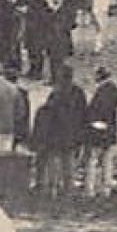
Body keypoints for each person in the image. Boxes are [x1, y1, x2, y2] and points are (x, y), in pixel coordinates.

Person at [32, 64, 87, 198]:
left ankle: (53, 189)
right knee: (68, 163)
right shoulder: (78, 92)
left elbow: (48, 115)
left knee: (53, 163)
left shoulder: (56, 93)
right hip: (72, 134)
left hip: (56, 135)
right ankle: (68, 189)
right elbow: (84, 114)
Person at [84, 66, 117, 199]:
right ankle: (106, 190)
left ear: (100, 76)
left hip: (98, 131)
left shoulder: (102, 91)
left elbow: (98, 111)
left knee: (92, 160)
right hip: (110, 130)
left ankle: (90, 190)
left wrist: (91, 122)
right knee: (107, 161)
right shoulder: (114, 89)